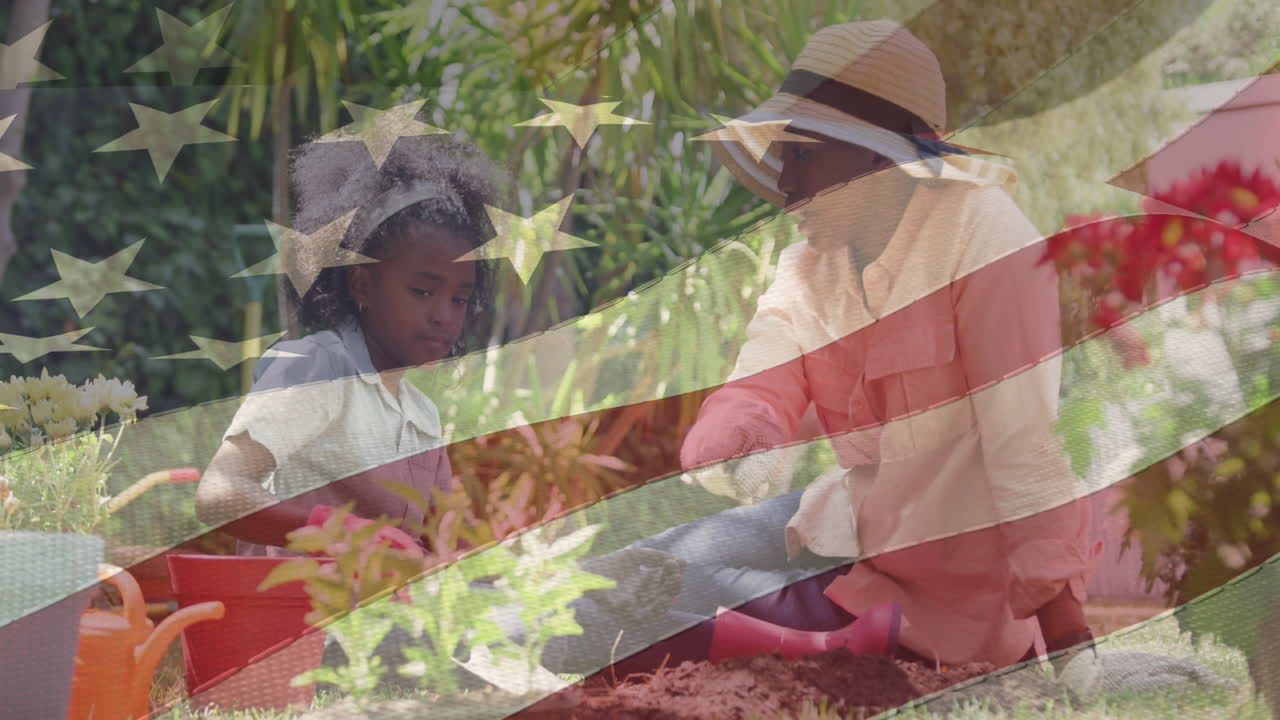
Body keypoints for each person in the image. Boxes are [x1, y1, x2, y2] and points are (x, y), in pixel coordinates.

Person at [604, 19, 1104, 691]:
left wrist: (1071, 644)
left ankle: (809, 642)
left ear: (876, 157)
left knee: (660, 605)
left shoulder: (986, 239)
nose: (785, 185)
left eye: (801, 154)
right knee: (638, 569)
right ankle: (469, 622)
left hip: (944, 602)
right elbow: (763, 377)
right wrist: (740, 429)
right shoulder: (808, 267)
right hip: (844, 528)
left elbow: (1026, 444)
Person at [194, 134, 687, 686]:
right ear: (363, 282)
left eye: (458, 298)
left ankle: (783, 652)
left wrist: (574, 575)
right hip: (299, 628)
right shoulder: (318, 369)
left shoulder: (421, 414)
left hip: (392, 621)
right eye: (423, 292)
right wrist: (346, 534)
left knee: (600, 611)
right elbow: (217, 495)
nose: (444, 317)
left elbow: (442, 562)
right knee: (551, 628)